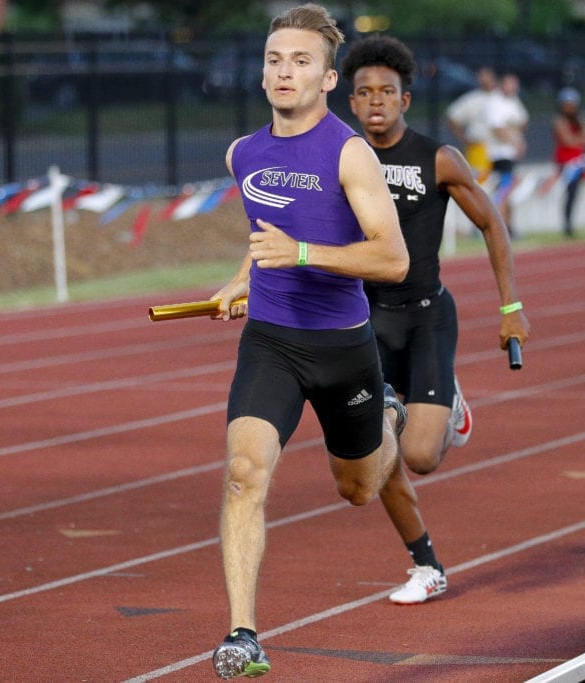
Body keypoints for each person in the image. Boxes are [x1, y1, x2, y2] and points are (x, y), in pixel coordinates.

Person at [205, 5, 412, 678]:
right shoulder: (243, 153)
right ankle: (243, 634)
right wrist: (241, 276)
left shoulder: (349, 152)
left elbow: (392, 259)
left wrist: (302, 252)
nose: (284, 71)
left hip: (341, 345)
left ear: (327, 78)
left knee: (357, 488)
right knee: (243, 474)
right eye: (274, 60)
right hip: (270, 341)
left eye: (299, 61)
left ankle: (388, 414)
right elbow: (267, 229)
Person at [340, 34, 531, 604]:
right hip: (365, 322)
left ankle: (447, 402)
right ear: (351, 102)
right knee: (374, 455)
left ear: (405, 98)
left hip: (425, 316)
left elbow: (493, 224)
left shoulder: (437, 158)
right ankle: (426, 564)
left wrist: (511, 307)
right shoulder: (339, 161)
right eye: (364, 93)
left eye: (387, 92)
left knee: (420, 457)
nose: (375, 101)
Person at [485, 72, 530, 231]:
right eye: (510, 84)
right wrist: (515, 142)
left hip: (510, 153)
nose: (513, 88)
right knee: (504, 189)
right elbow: (497, 127)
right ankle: (499, 224)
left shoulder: (513, 101)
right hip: (499, 153)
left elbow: (523, 120)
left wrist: (518, 139)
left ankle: (507, 225)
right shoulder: (495, 102)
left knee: (507, 190)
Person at [550, 87, 585, 238]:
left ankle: (571, 225)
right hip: (566, 162)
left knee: (575, 193)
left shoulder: (580, 118)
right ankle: (567, 225)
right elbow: (567, 140)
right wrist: (580, 138)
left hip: (580, 160)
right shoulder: (559, 120)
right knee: (569, 193)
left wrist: (578, 138)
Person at [446, 66, 498, 182]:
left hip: (500, 147)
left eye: (487, 77)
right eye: (481, 77)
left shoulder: (501, 98)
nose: (484, 80)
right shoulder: (473, 99)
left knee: (500, 182)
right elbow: (452, 117)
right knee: (480, 182)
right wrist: (463, 138)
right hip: (479, 146)